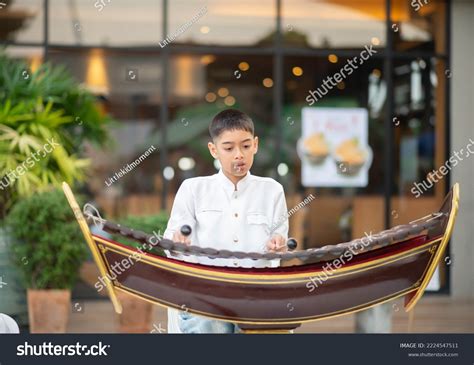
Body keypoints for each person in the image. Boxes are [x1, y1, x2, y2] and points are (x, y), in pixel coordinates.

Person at [163, 109, 289, 334]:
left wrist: (277, 244)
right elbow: (172, 240)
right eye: (229, 148)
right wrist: (178, 241)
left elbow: (279, 241)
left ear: (256, 145)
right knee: (210, 324)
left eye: (246, 146)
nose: (238, 155)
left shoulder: (272, 190)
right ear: (214, 149)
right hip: (205, 294)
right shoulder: (193, 189)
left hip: (256, 293)